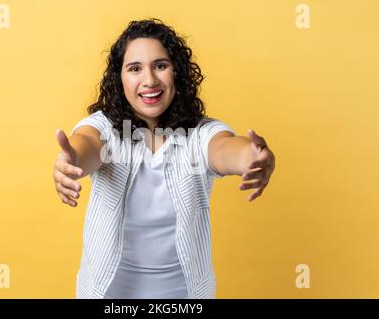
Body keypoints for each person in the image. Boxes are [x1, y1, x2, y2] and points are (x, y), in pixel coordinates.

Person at [53, 18, 275, 299]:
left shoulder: (200, 133)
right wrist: (70, 160)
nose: (150, 80)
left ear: (176, 73)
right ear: (119, 79)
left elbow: (224, 149)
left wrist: (251, 157)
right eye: (135, 69)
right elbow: (86, 145)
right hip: (107, 295)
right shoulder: (105, 128)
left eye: (160, 65)